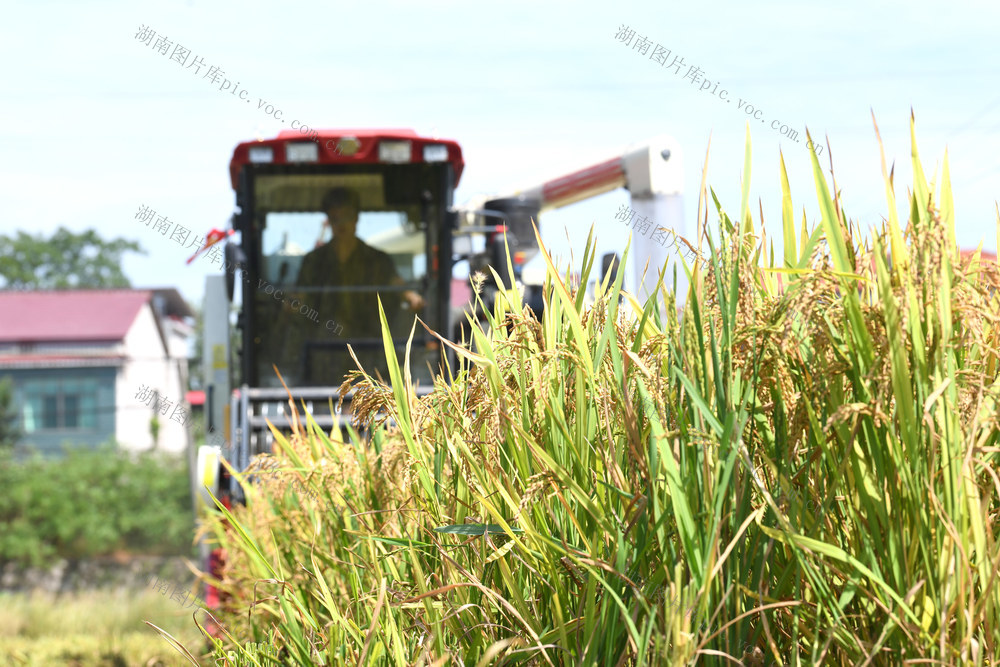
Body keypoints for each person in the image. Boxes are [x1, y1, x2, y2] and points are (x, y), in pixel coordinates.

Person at [282, 187, 425, 382]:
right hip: (324, 352)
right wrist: (292, 303)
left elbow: (396, 284)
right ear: (328, 221)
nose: (341, 223)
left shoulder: (378, 260)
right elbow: (301, 295)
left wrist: (410, 296)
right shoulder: (314, 261)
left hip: (369, 350)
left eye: (346, 216)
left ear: (356, 218)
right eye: (335, 217)